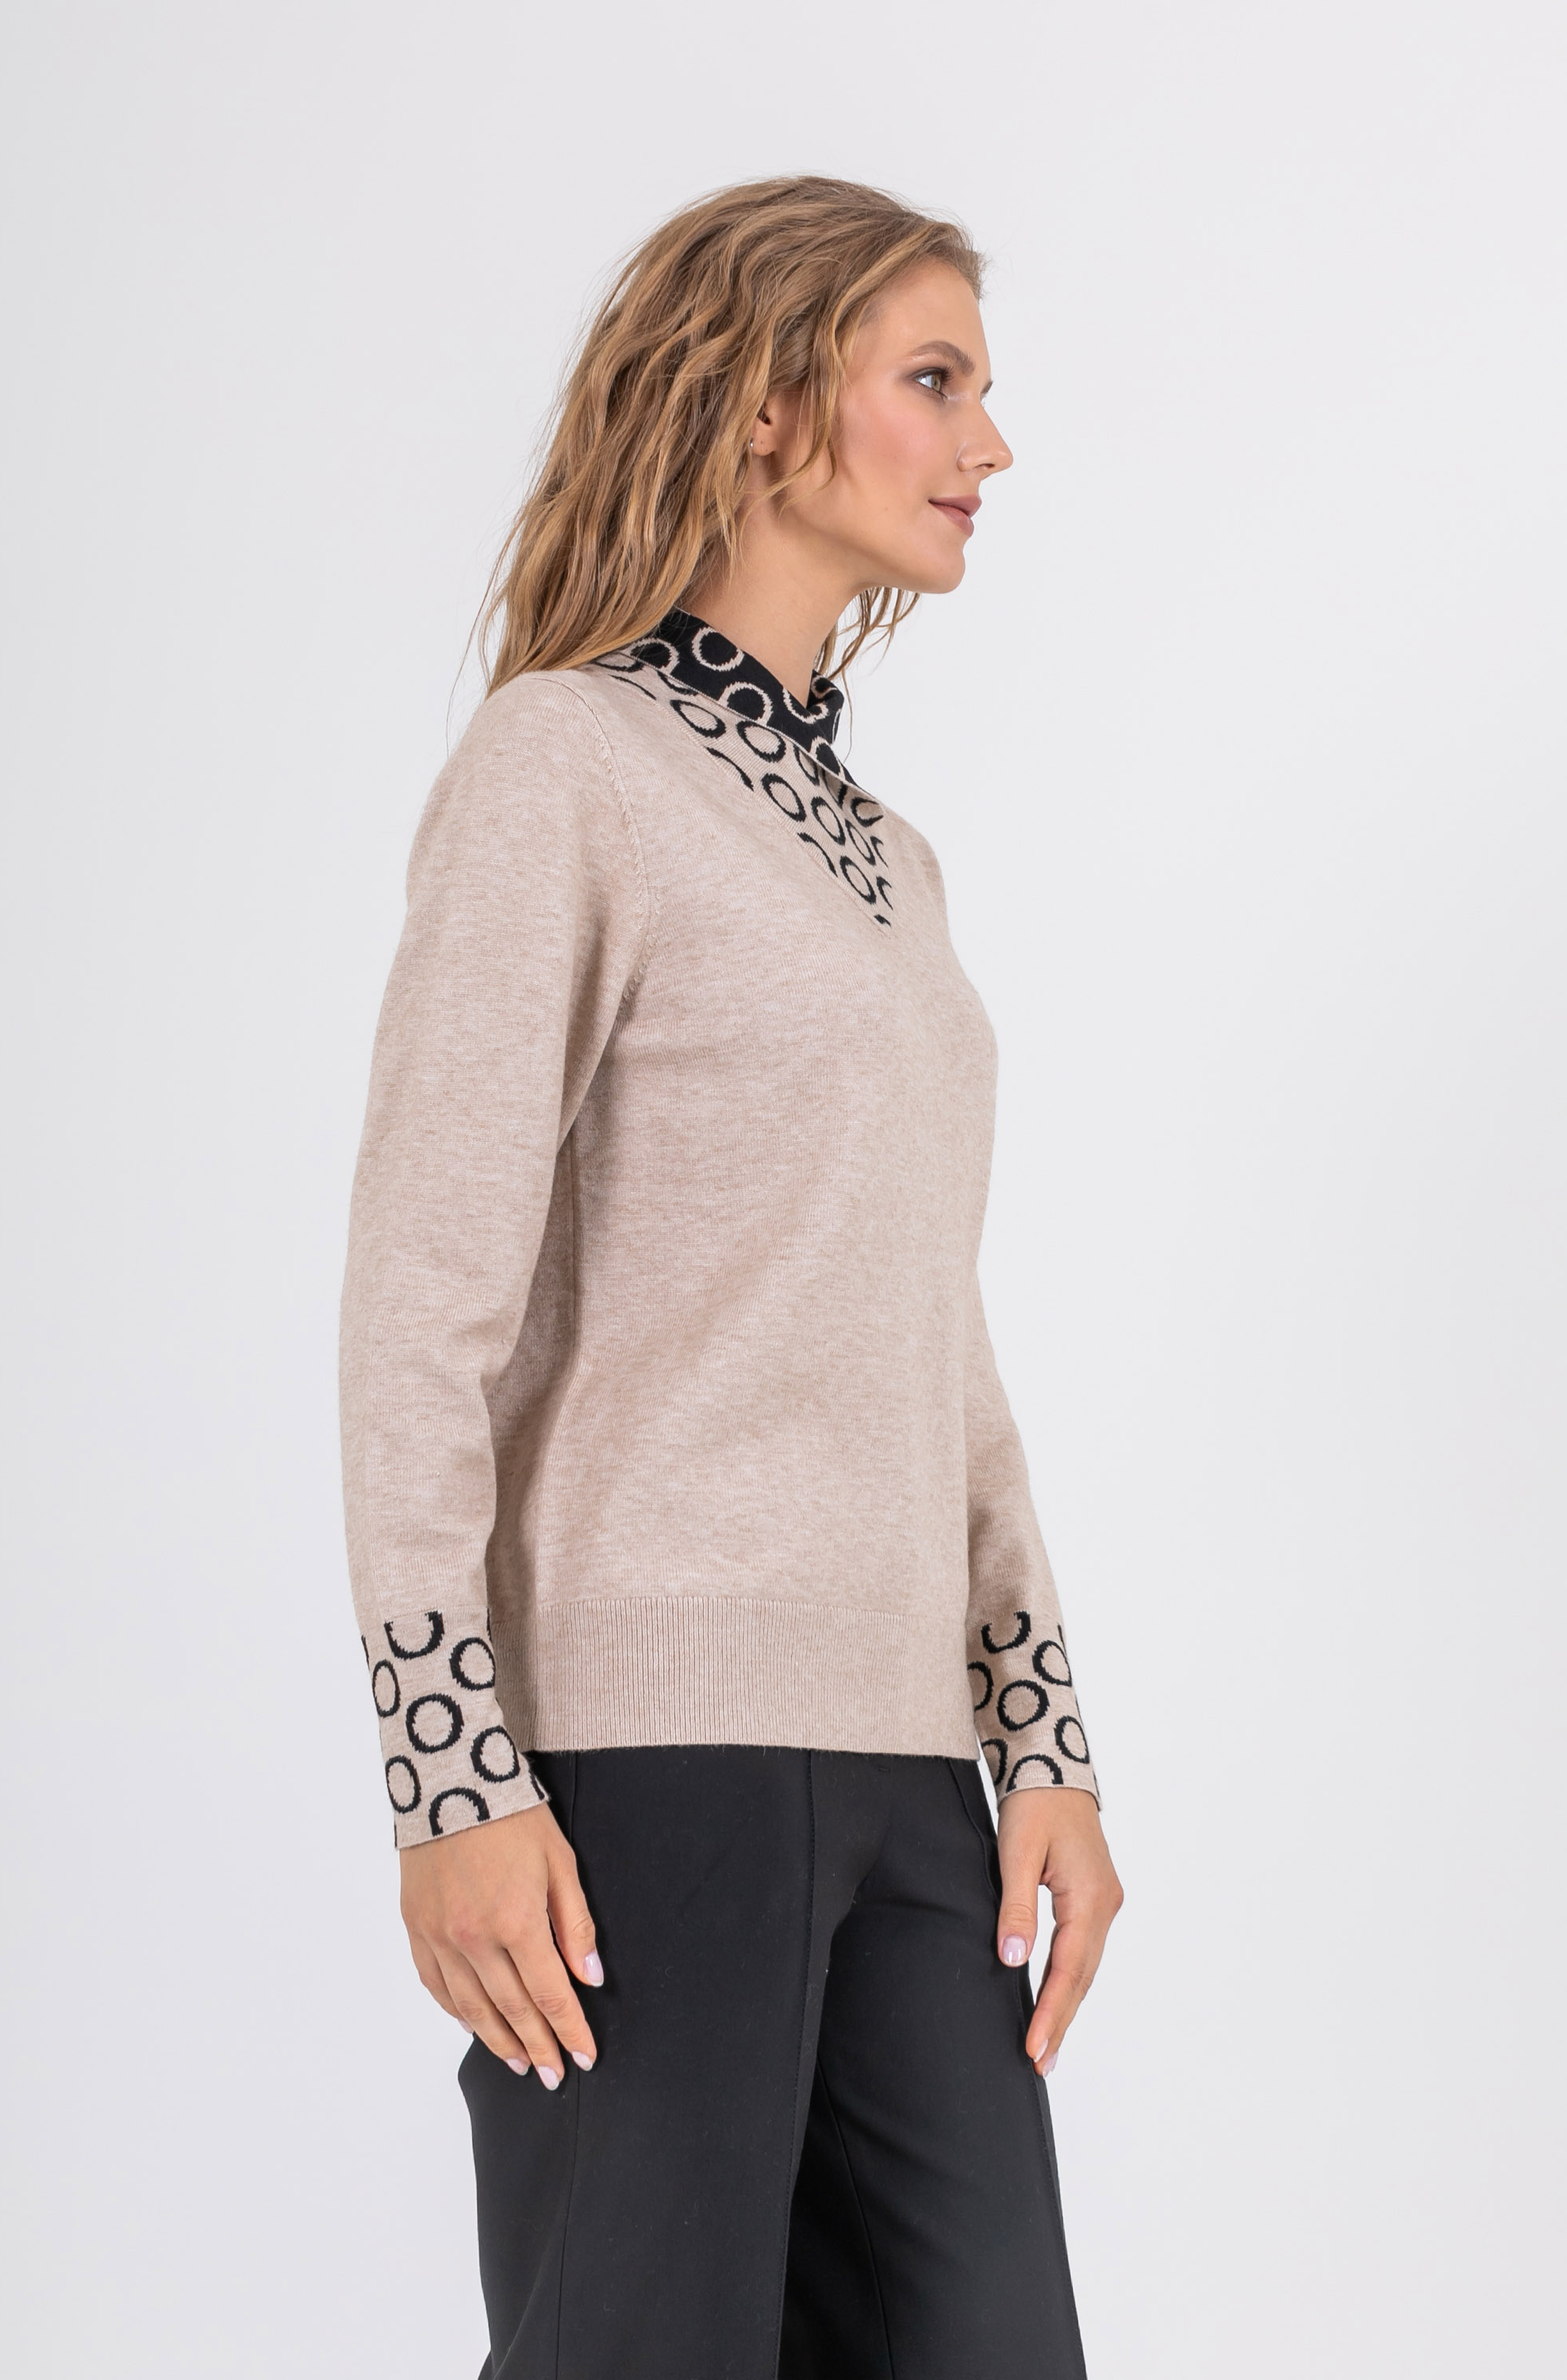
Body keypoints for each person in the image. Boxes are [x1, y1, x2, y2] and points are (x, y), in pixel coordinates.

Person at [339, 174, 1124, 2380]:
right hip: (647, 1763)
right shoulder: (562, 767)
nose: (987, 443)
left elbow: (935, 1344)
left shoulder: (892, 865)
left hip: (912, 1776)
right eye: (934, 381)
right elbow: (419, 1311)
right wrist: (450, 1780)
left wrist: (1041, 1741)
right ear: (765, 407)